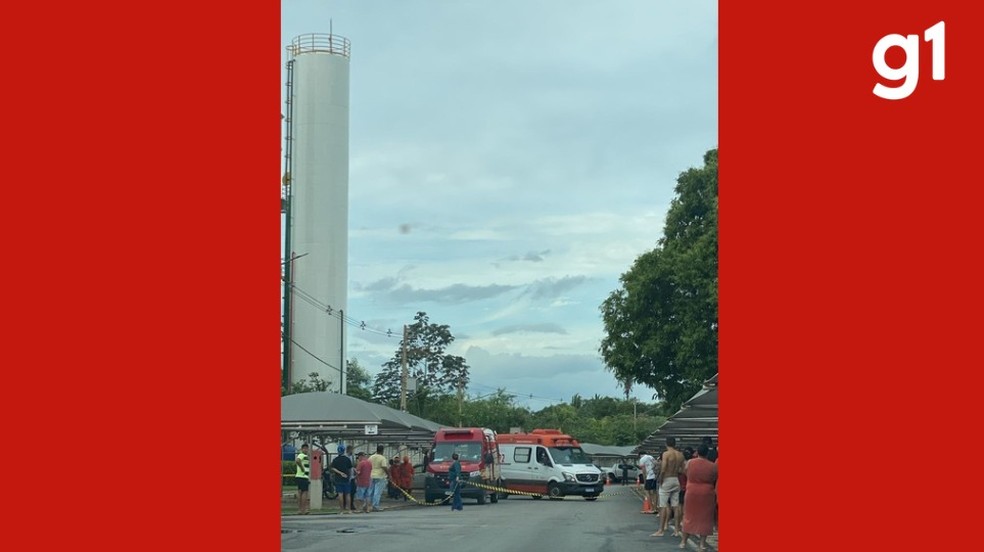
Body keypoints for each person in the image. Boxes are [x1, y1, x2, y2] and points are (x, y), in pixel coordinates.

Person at [680, 444, 718, 552]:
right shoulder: (713, 465)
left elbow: (685, 472)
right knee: (705, 518)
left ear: (697, 452)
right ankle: (702, 544)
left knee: (688, 516)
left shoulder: (690, 462)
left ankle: (683, 541)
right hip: (707, 493)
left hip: (691, 491)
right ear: (707, 453)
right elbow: (715, 477)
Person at [652, 437, 685, 538]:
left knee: (663, 506)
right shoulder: (680, 455)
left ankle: (661, 530)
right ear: (675, 444)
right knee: (676, 505)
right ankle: (677, 530)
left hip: (667, 479)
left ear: (666, 444)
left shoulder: (666, 454)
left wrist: (661, 479)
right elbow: (683, 469)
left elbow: (663, 468)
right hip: (676, 479)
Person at [330, 444, 353, 513]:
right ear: (344, 451)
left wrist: (339, 473)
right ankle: (349, 509)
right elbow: (350, 469)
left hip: (338, 478)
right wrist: (349, 477)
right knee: (348, 494)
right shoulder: (347, 459)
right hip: (346, 478)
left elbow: (332, 468)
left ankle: (341, 510)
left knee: (340, 494)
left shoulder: (335, 459)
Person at [368, 445, 390, 512]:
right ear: (382, 450)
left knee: (370, 491)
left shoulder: (371, 457)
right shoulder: (382, 458)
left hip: (371, 475)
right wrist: (388, 474)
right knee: (377, 492)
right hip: (380, 476)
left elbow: (368, 465)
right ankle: (375, 506)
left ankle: (368, 505)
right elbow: (384, 467)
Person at [638, 449, 657, 513]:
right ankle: (655, 508)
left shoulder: (642, 459)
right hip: (654, 476)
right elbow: (655, 465)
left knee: (647, 492)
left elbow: (643, 470)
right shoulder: (651, 457)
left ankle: (651, 508)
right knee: (654, 492)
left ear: (640, 455)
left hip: (649, 477)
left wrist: (644, 479)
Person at [294, 443, 311, 515]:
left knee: (301, 491)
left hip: (303, 476)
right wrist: (302, 468)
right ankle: (302, 509)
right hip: (302, 476)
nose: (306, 450)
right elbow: (297, 461)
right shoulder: (301, 455)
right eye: (304, 448)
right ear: (302, 449)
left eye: (307, 448)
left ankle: (301, 509)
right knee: (304, 492)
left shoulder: (306, 456)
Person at [346, 445, 357, 511]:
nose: (353, 451)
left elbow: (353, 466)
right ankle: (347, 504)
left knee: (353, 491)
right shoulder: (346, 457)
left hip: (352, 476)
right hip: (348, 477)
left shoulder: (353, 457)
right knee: (347, 491)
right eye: (352, 450)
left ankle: (351, 504)